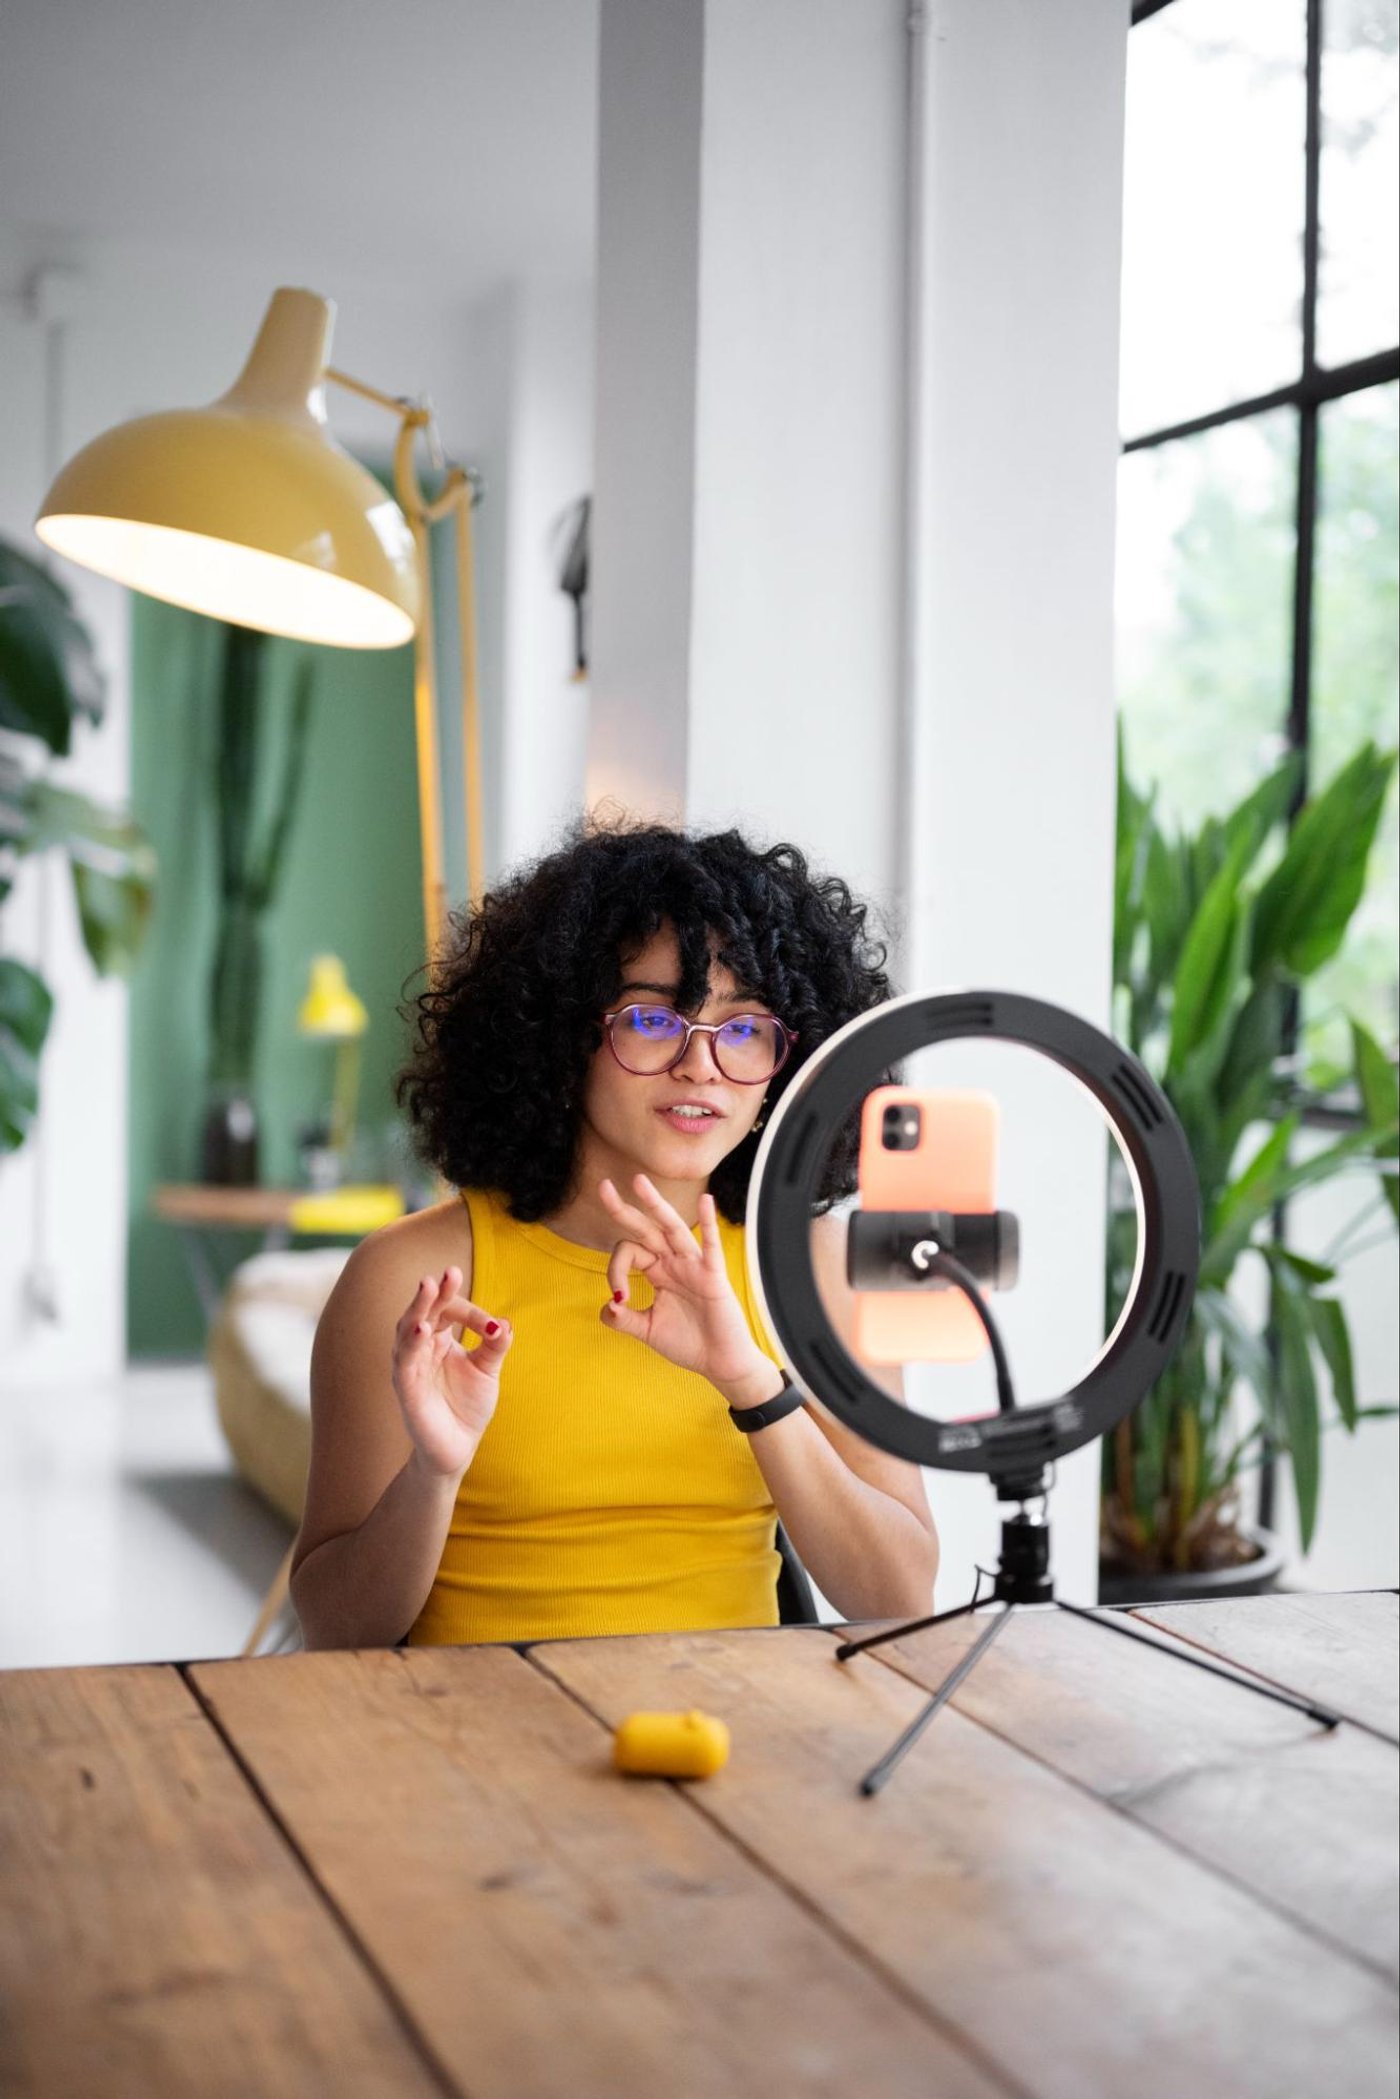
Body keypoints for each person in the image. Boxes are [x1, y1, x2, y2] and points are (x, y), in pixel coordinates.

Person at [290, 815, 939, 1649]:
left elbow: (904, 1597)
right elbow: (337, 1630)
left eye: (743, 1028)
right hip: (469, 1745)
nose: (702, 1064)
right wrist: (433, 1472)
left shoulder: (815, 1274)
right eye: (652, 1020)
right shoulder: (413, 1277)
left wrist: (751, 1381)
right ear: (563, 1039)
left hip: (734, 1742)